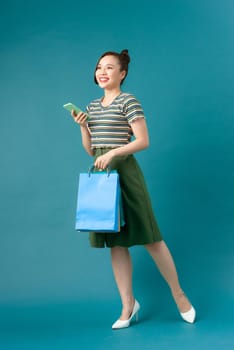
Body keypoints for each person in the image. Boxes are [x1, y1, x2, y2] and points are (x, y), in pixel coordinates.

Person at [71, 49, 196, 329]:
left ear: (122, 74)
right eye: (99, 67)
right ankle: (128, 305)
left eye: (110, 68)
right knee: (115, 241)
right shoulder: (91, 107)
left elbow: (143, 141)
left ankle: (179, 295)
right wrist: (82, 128)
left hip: (125, 172)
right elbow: (92, 150)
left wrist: (114, 153)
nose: (102, 72)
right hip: (102, 174)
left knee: (151, 238)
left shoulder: (129, 101)